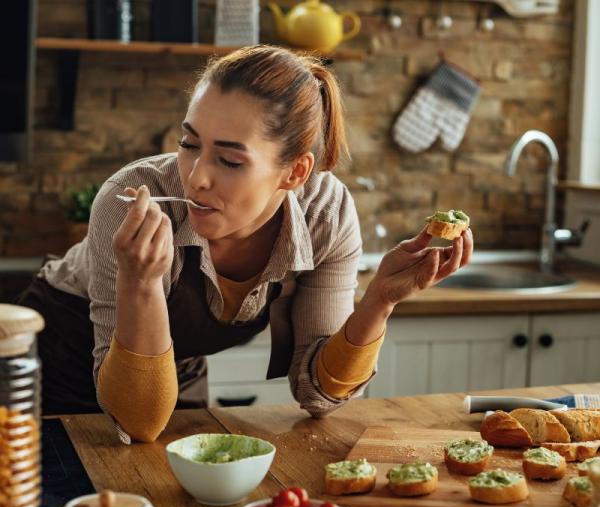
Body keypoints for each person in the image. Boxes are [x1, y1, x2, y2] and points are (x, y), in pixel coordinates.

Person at [19, 45, 473, 443]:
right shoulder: (132, 198)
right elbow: (134, 422)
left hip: (172, 363)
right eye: (188, 143)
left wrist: (377, 302)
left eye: (230, 160)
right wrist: (140, 283)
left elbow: (318, 394)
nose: (195, 178)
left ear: (295, 172)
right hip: (59, 358)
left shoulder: (325, 215)